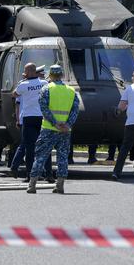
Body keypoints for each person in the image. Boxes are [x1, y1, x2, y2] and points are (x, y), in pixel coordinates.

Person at [27, 64, 79, 195]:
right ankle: (60, 185)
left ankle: (32, 185)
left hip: (49, 128)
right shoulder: (71, 91)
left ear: (50, 75)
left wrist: (55, 123)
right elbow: (75, 110)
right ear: (61, 75)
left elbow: (44, 108)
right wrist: (68, 124)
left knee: (40, 156)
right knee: (62, 157)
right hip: (65, 131)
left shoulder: (46, 89)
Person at [9, 63, 51, 180]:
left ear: (27, 72)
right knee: (44, 146)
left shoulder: (23, 85)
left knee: (29, 147)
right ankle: (49, 174)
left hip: (28, 118)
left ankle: (29, 175)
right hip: (42, 117)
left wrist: (22, 83)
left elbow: (14, 94)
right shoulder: (43, 83)